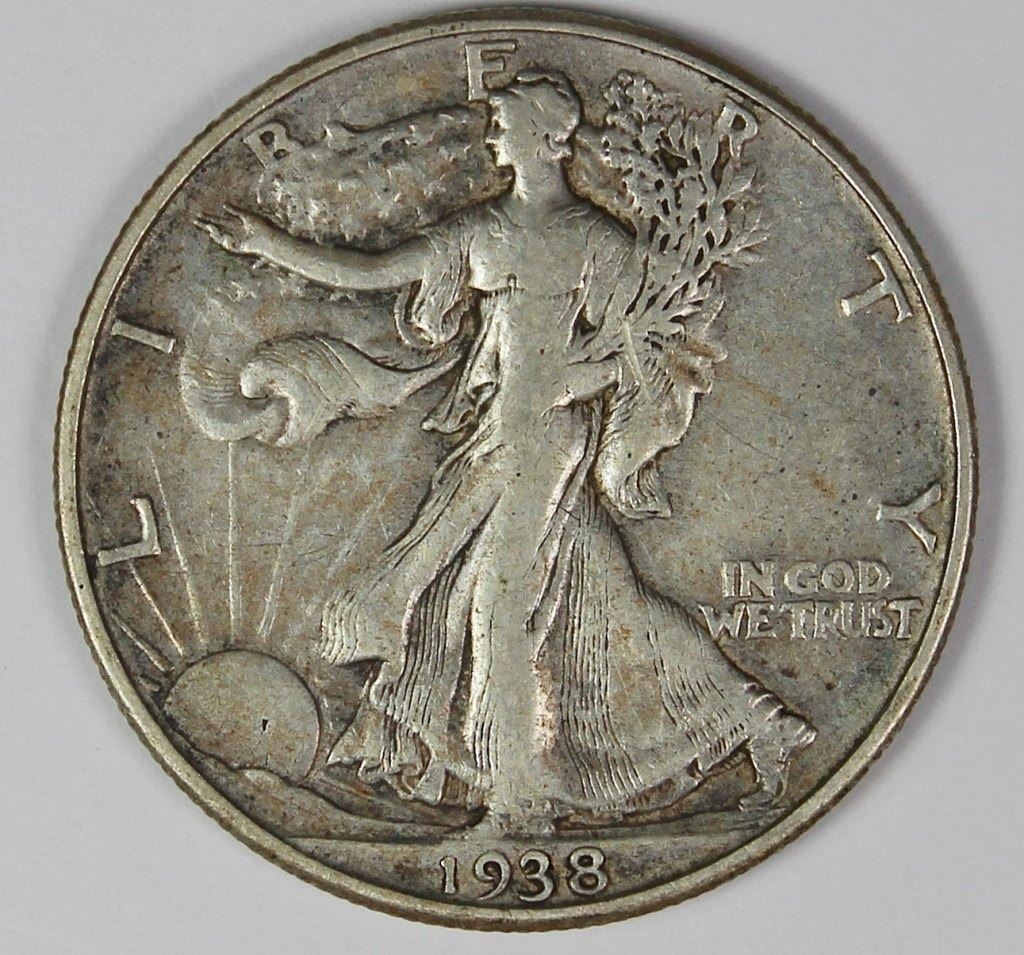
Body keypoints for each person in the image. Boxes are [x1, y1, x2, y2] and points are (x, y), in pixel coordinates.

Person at [199, 70, 815, 833]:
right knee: (603, 596)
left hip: (547, 440)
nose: (493, 137)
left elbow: (647, 348)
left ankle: (518, 800)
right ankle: (759, 720)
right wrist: (269, 243)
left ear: (548, 138)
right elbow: (373, 271)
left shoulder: (594, 242)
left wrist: (570, 381)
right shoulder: (483, 231)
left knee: (497, 610)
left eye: (505, 124)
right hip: (494, 436)